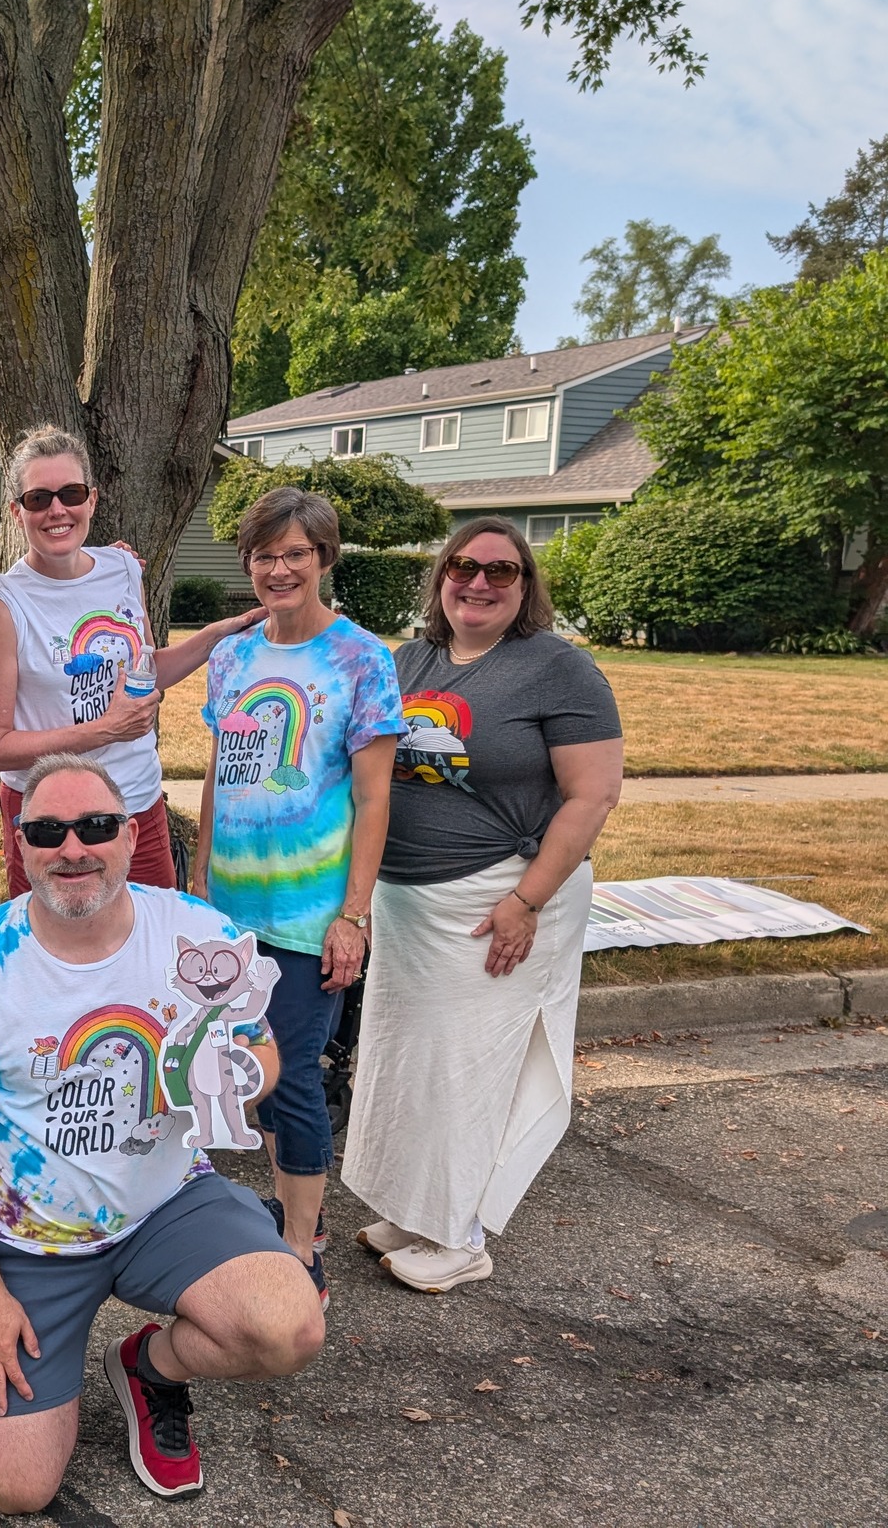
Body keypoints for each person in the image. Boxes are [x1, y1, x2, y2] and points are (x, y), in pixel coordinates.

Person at [0, 753, 322, 1511]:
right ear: (20, 842)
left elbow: (262, 1051)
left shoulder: (196, 934)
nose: (73, 848)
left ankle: (150, 1366)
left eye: (96, 826)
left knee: (288, 1327)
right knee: (20, 1491)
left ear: (131, 836)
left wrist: (236, 1080)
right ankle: (40, 1339)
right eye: (48, 830)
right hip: (28, 1240)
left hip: (166, 1204)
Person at [343, 517, 622, 1293]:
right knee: (413, 1062)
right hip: (410, 904)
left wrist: (527, 901)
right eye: (465, 566)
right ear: (441, 577)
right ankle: (416, 1209)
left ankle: (460, 1236)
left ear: (526, 587)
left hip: (499, 898)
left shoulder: (559, 670)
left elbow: (592, 795)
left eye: (502, 572)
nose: (479, 582)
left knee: (473, 1068)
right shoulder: (412, 660)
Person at [192, 485, 402, 1312]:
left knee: (292, 1078)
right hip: (230, 902)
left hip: (311, 909)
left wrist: (355, 912)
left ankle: (300, 1239)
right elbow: (219, 769)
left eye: (295, 554)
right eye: (264, 554)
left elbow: (377, 797)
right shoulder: (235, 657)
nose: (278, 569)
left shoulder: (360, 659)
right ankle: (268, 1209)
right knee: (236, 1065)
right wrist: (200, 869)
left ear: (323, 559)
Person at [0, 425, 262, 898]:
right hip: (49, 818)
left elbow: (143, 676)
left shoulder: (122, 568)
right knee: (56, 959)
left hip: (135, 801)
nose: (57, 510)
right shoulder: (2, 602)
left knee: (151, 946)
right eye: (39, 498)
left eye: (71, 493)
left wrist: (214, 636)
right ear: (15, 511)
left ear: (93, 500)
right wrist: (104, 730)